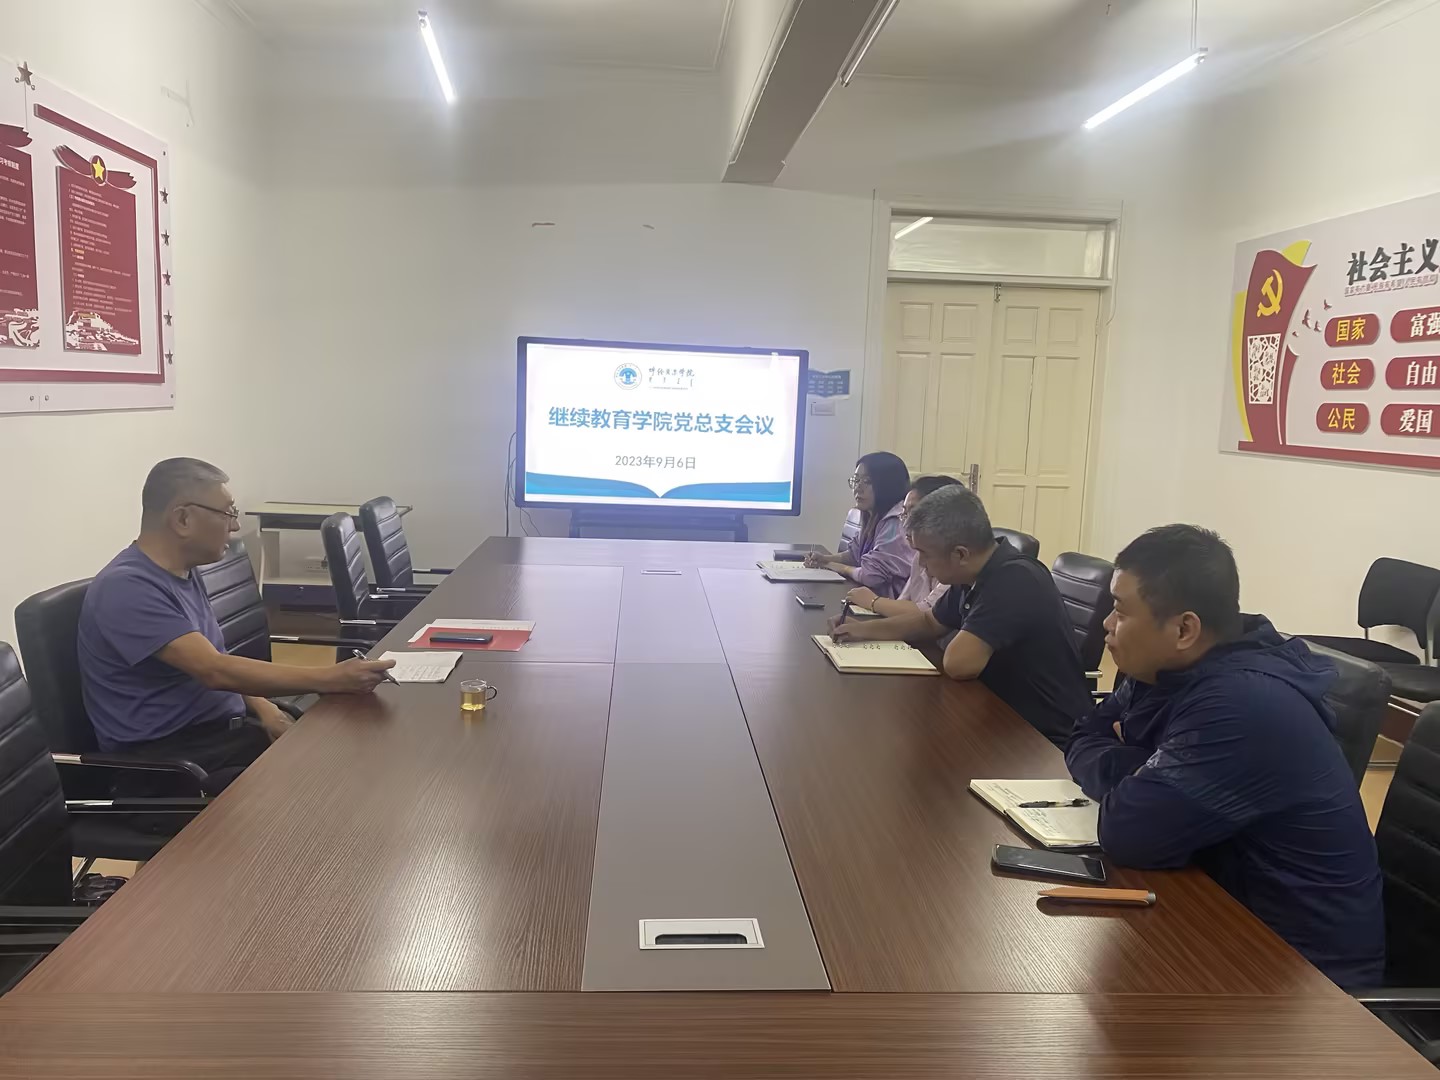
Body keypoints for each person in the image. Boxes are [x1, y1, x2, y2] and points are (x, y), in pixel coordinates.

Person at [1065, 524, 1383, 988]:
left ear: (1184, 629)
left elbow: (1127, 830)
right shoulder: (1164, 670)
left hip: (1303, 980)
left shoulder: (1243, 703)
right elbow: (1083, 733)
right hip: (1222, 923)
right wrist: (1145, 770)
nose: (1107, 625)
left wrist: (1140, 772)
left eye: (1120, 610)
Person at [78, 458, 396, 792]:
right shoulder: (128, 587)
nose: (235, 525)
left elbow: (216, 660)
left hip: (222, 734)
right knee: (330, 786)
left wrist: (263, 706)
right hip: (170, 766)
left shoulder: (182, 572)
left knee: (353, 753)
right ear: (182, 519)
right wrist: (331, 678)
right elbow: (214, 670)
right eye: (228, 512)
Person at [832, 485, 1089, 747]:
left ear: (960, 554)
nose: (920, 563)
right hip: (1001, 716)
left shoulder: (1015, 579)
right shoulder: (972, 573)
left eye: (925, 554)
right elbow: (929, 622)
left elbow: (959, 664)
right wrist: (861, 630)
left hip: (1046, 739)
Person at [844, 474, 961, 617]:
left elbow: (928, 613)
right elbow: (903, 601)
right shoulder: (919, 556)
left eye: (914, 514)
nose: (905, 525)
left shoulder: (956, 564)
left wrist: (873, 602)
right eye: (904, 514)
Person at [803, 451, 913, 599]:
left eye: (867, 481)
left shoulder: (896, 521)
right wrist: (825, 559)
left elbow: (870, 575)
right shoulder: (872, 514)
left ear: (888, 485)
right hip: (871, 598)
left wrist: (832, 566)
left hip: (890, 605)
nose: (858, 488)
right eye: (856, 480)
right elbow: (855, 555)